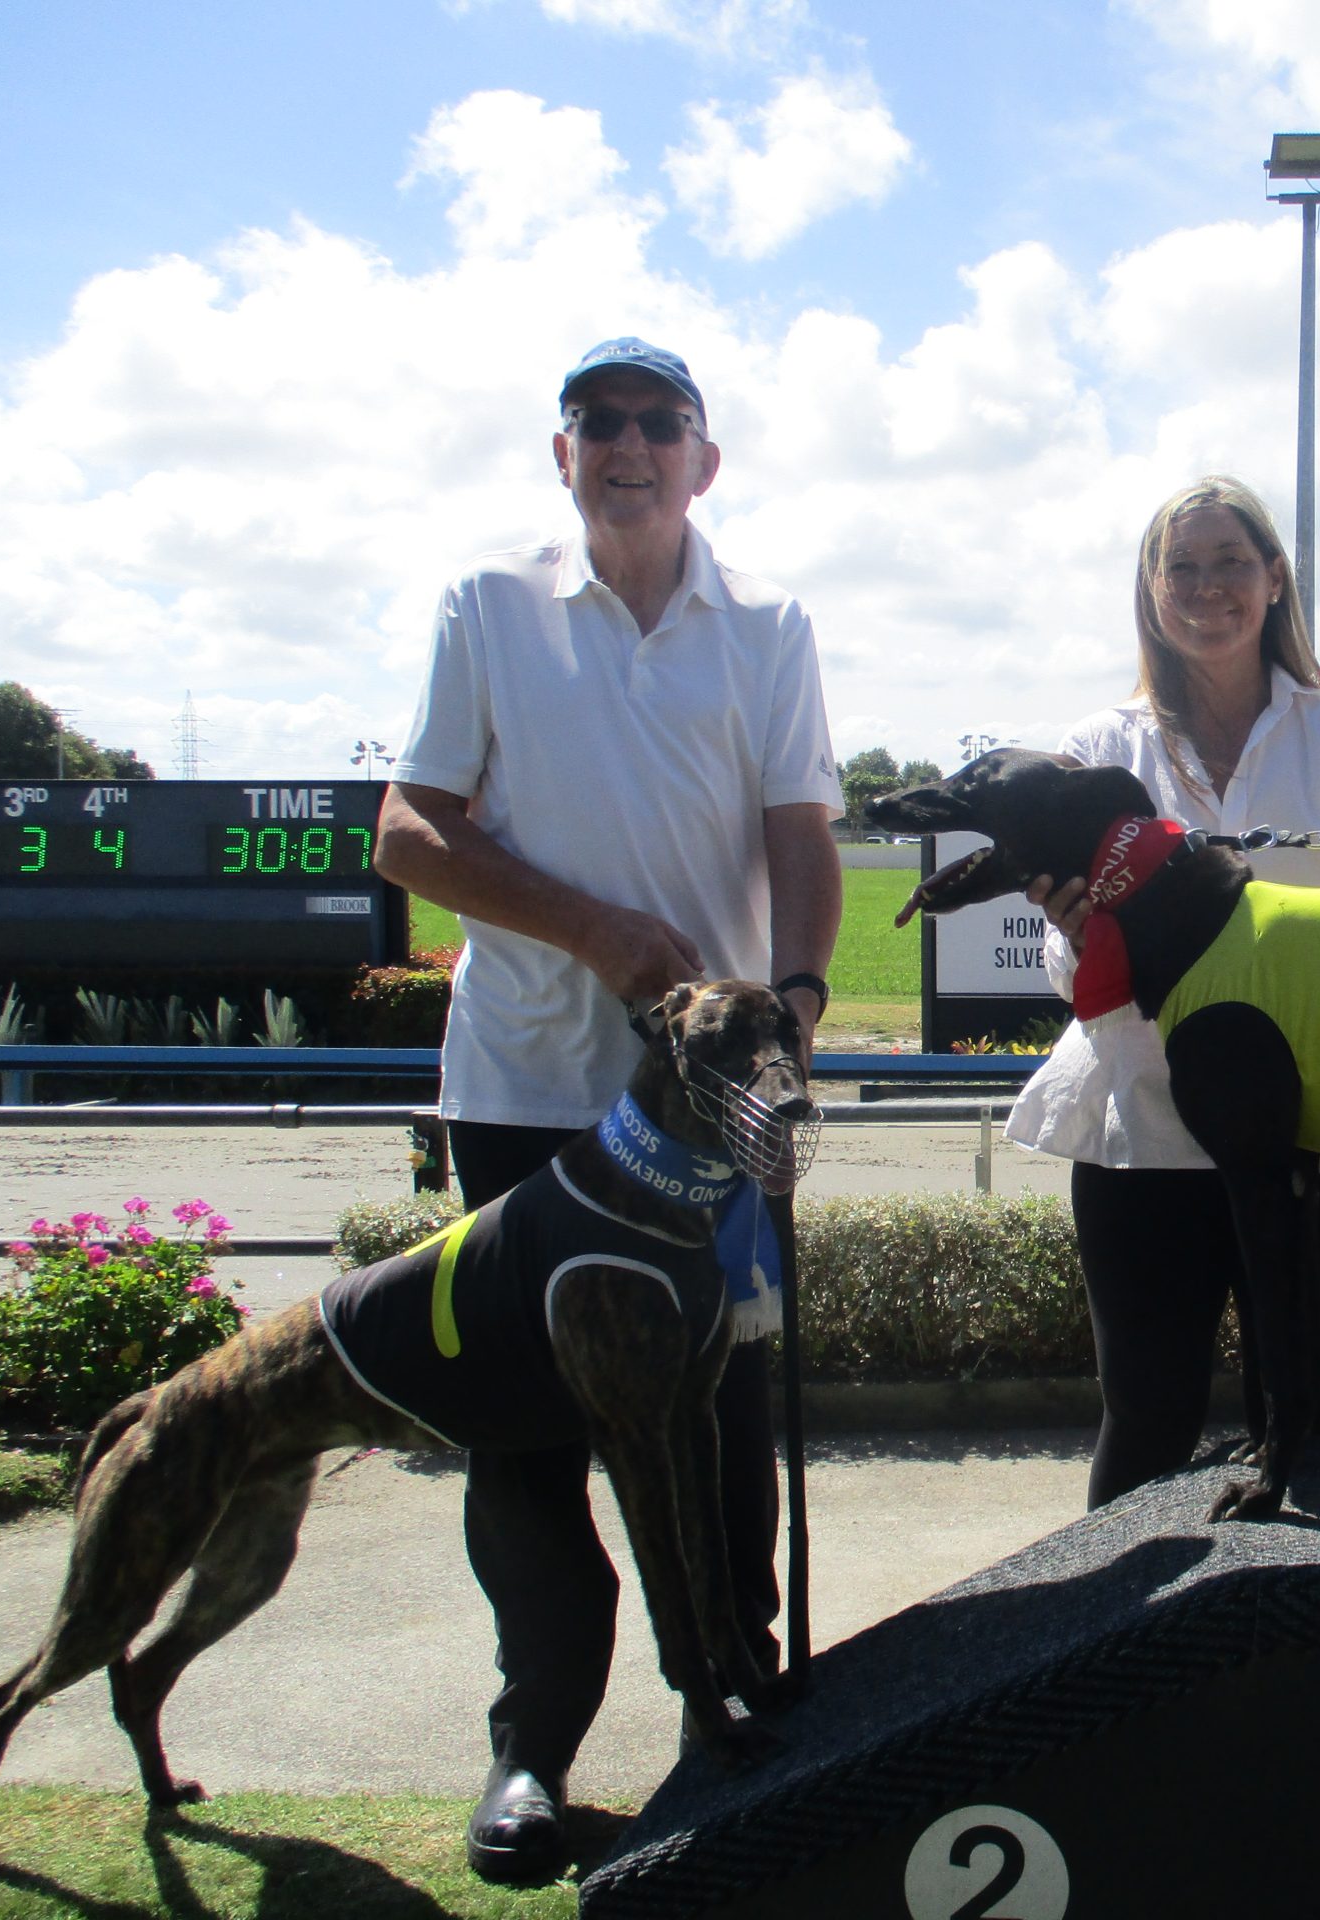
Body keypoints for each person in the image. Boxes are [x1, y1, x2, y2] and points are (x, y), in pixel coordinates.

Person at [373, 336, 843, 1886]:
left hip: (705, 1118)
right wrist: (590, 931)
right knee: (526, 1434)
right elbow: (409, 833)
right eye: (600, 422)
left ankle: (733, 1706)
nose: (629, 445)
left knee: (721, 1410)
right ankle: (534, 1747)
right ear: (563, 453)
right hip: (524, 1094)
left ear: (703, 460)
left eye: (659, 423)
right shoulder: (487, 604)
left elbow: (800, 835)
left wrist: (799, 1002)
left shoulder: (770, 624)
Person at [1004, 476, 1320, 1509]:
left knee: (1318, 1420)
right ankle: (1134, 1605)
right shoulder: (1098, 750)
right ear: (1151, 590)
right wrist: (1079, 934)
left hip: (1319, 1136)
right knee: (1148, 1412)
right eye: (1182, 568)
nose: (1208, 588)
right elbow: (1072, 977)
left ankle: (1306, 1612)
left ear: (1275, 578)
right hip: (1145, 1126)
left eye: (1232, 563)